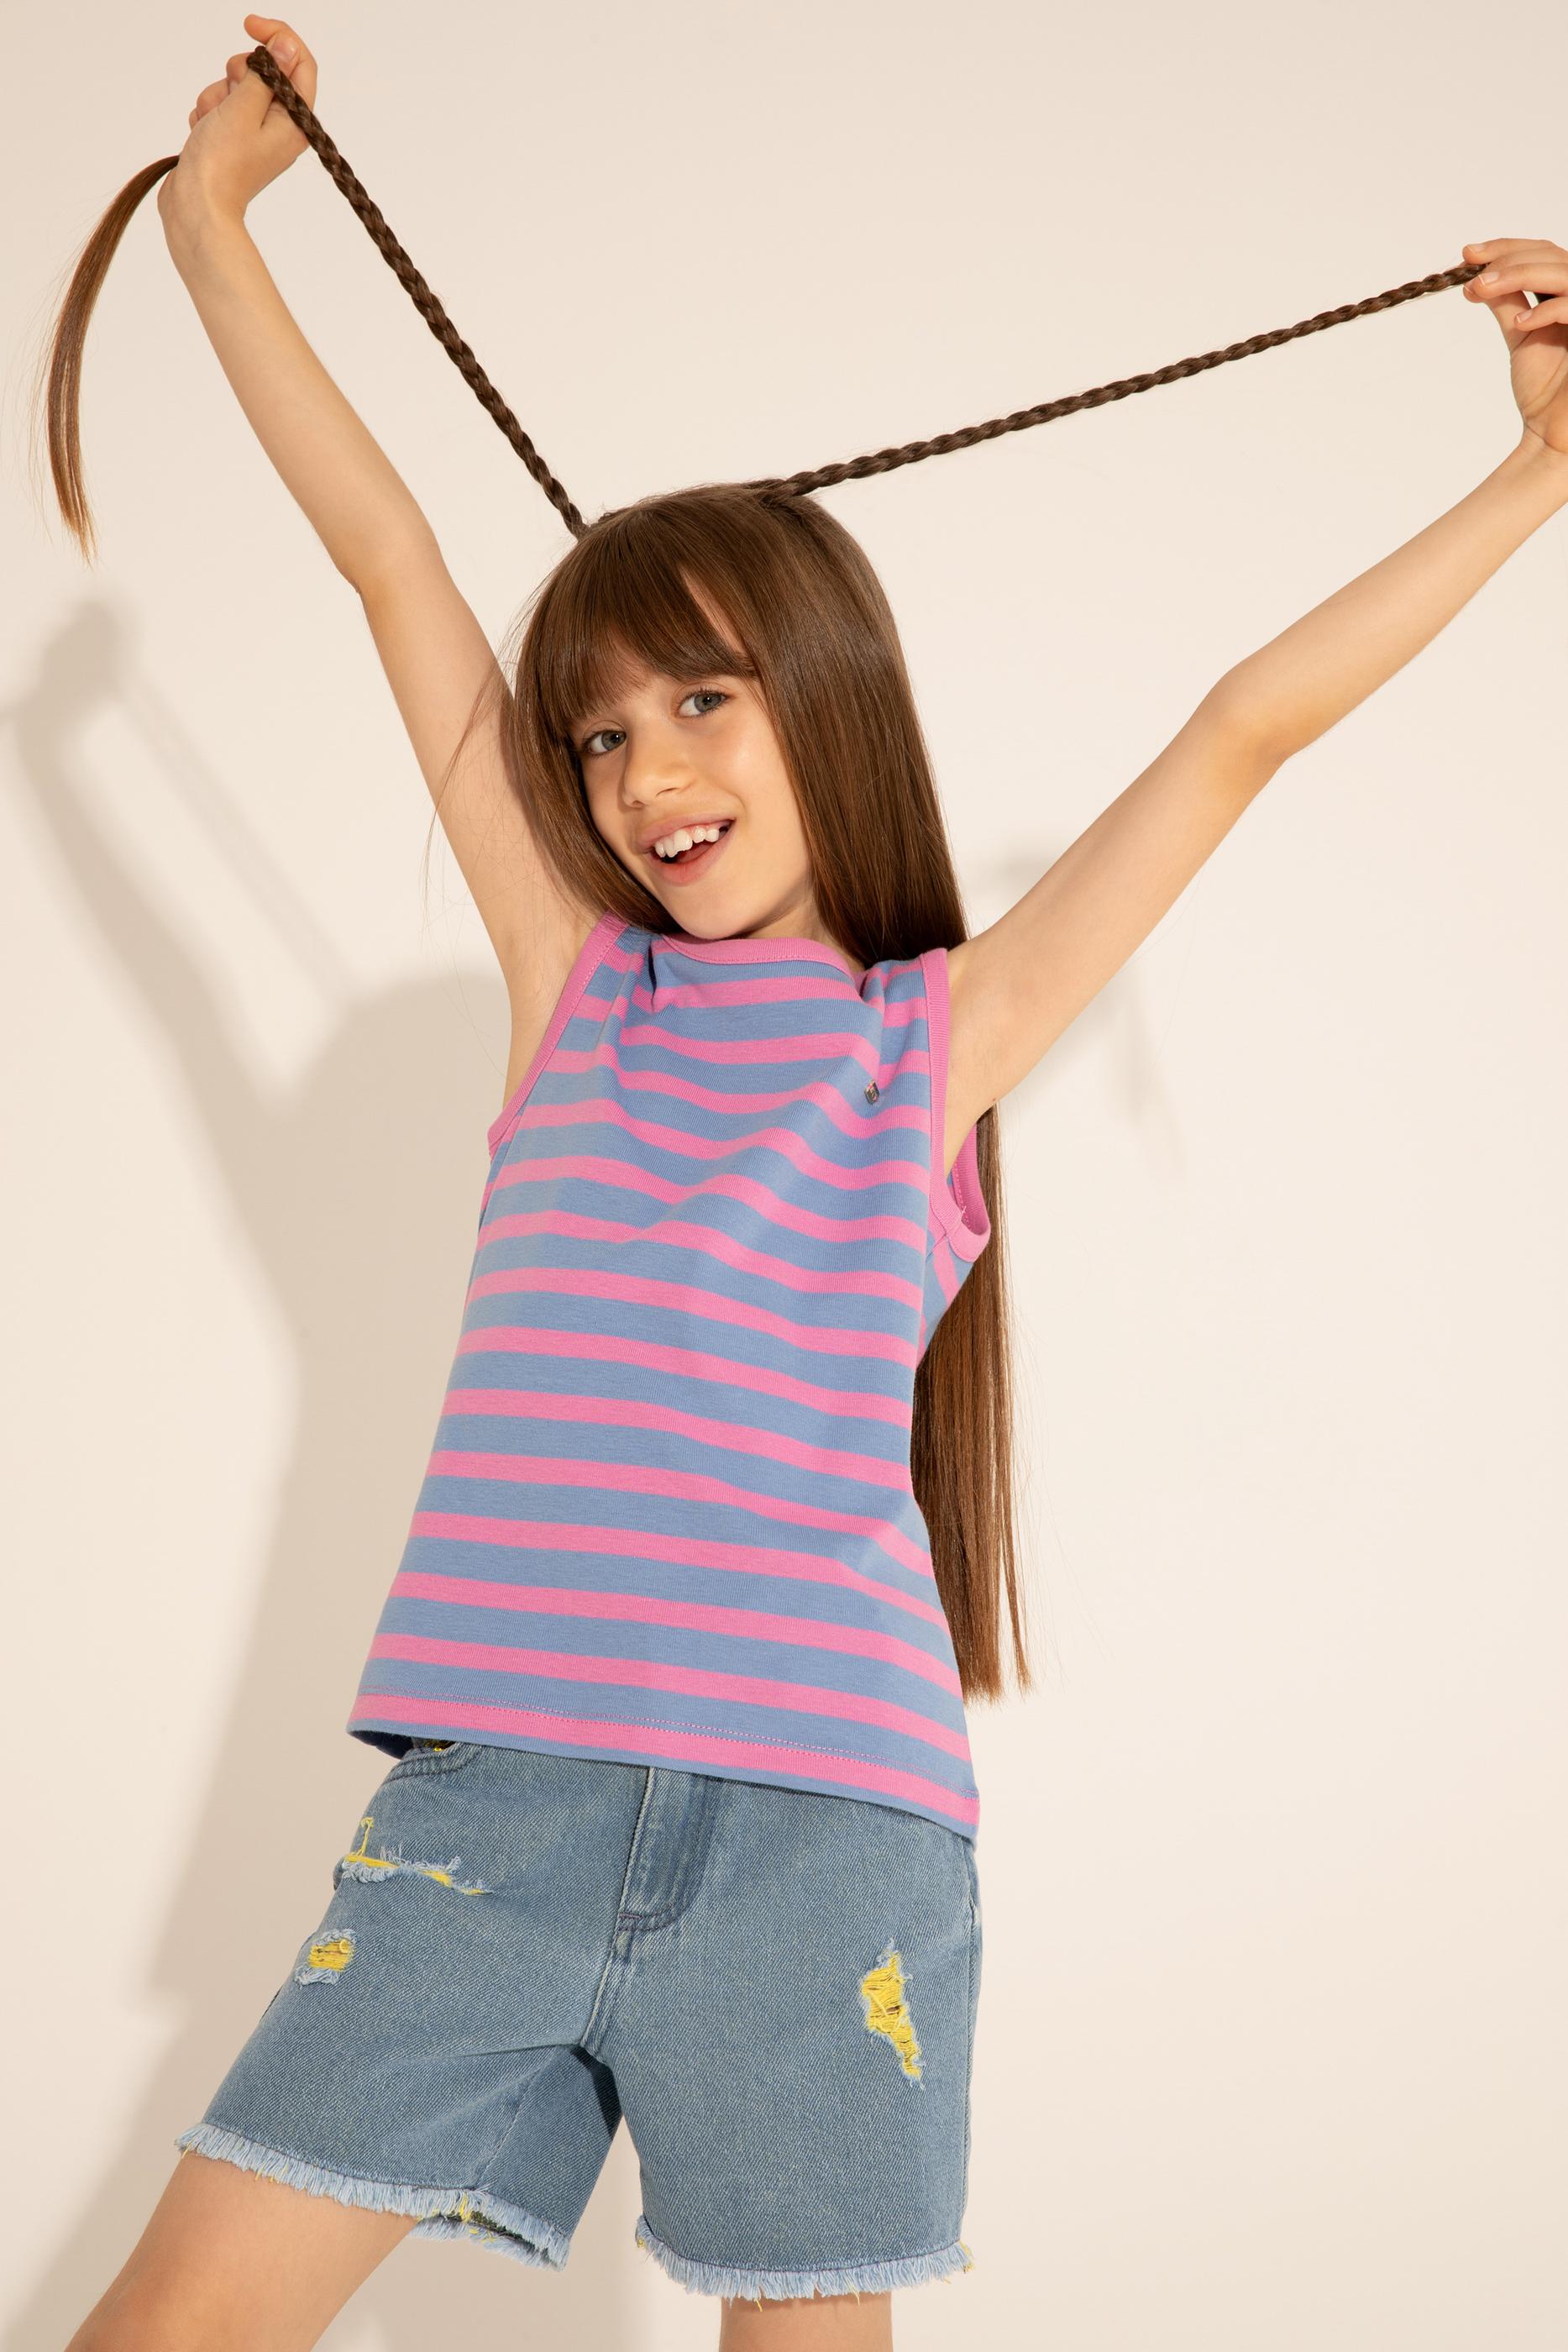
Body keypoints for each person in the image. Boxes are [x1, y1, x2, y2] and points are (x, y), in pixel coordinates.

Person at [55, 16, 1568, 2352]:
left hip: (824, 1845)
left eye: (703, 700)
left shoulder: (930, 1040)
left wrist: (1536, 474)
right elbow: (383, 557)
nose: (643, 772)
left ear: (825, 695)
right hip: (492, 1808)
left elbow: (1238, 731)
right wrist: (211, 231)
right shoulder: (576, 987)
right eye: (598, 731)